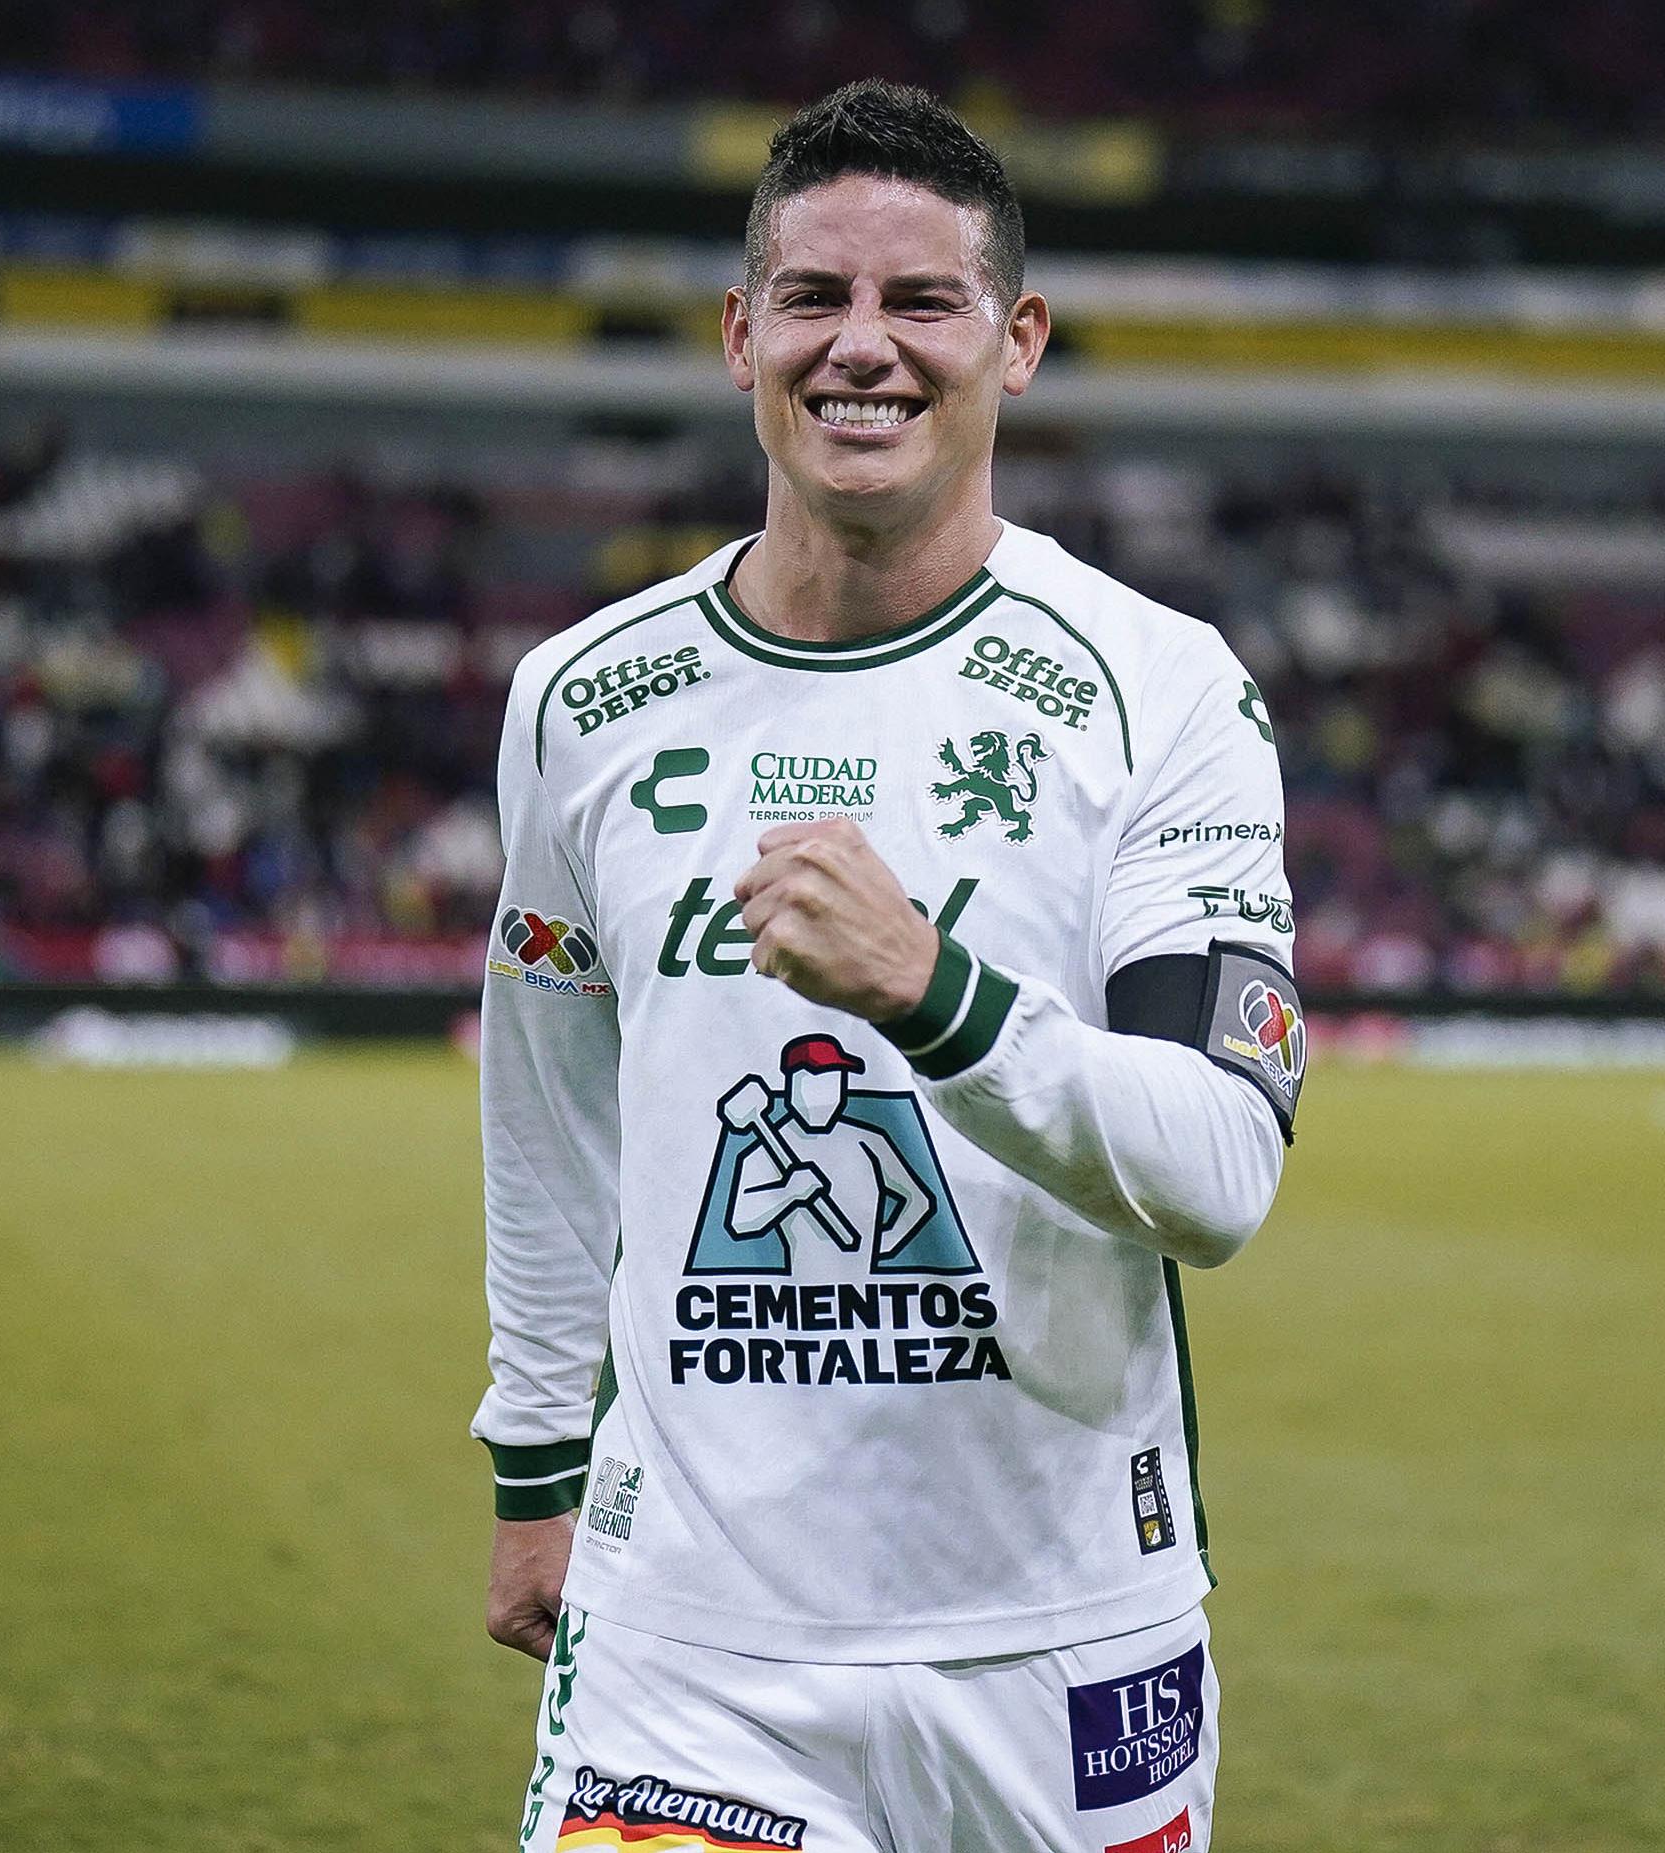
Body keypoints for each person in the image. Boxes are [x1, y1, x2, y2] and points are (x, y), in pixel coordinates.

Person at [474, 79, 1303, 1852]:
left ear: (1015, 343)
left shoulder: (1161, 691)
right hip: (683, 1643)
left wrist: (933, 993)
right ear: (737, 334)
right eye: (813, 298)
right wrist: (538, 1466)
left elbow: (1219, 1169)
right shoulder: (582, 698)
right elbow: (544, 1113)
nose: (863, 348)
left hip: (1060, 1641)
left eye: (921, 302)